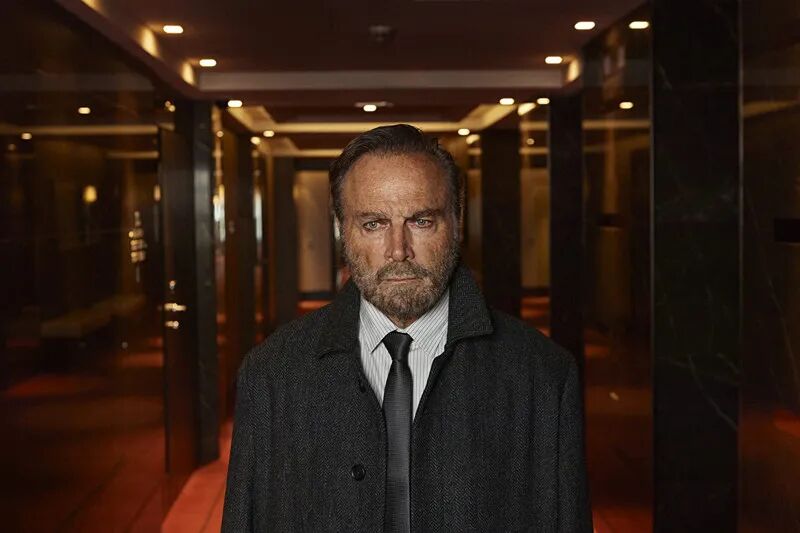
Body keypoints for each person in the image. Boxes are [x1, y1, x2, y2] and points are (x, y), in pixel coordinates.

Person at [221, 124, 592, 532]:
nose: (398, 250)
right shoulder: (271, 374)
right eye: (374, 224)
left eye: (421, 221)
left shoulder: (543, 376)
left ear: (457, 221)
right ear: (343, 229)